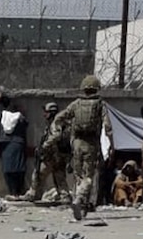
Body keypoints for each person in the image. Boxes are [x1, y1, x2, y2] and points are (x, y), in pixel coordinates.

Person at [45, 75, 114, 220]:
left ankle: (81, 207)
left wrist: (56, 131)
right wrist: (112, 144)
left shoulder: (76, 104)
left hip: (76, 144)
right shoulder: (100, 104)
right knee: (88, 177)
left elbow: (59, 117)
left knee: (78, 176)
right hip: (91, 144)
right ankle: (80, 200)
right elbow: (107, 126)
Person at [21, 102, 71, 204]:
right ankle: (64, 195)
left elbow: (56, 136)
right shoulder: (61, 122)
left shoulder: (55, 123)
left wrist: (44, 146)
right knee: (59, 176)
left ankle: (33, 194)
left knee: (38, 173)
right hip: (59, 156)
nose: (44, 115)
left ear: (52, 113)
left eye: (47, 112)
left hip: (52, 156)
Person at [0, 90, 28, 198]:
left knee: (8, 169)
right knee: (19, 169)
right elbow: (26, 125)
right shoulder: (20, 118)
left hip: (6, 145)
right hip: (18, 144)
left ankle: (12, 192)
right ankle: (18, 192)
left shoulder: (4, 116)